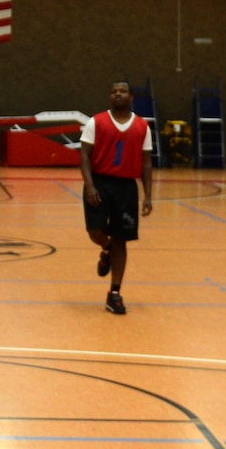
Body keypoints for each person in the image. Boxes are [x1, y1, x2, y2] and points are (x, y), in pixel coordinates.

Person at [78, 81, 153, 315]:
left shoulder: (142, 126)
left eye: (122, 91)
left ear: (131, 96)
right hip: (99, 184)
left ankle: (115, 294)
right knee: (95, 232)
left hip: (126, 188)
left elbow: (147, 163)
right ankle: (106, 248)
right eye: (113, 91)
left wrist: (148, 196)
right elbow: (84, 156)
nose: (117, 94)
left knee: (122, 239)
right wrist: (90, 185)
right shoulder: (96, 121)